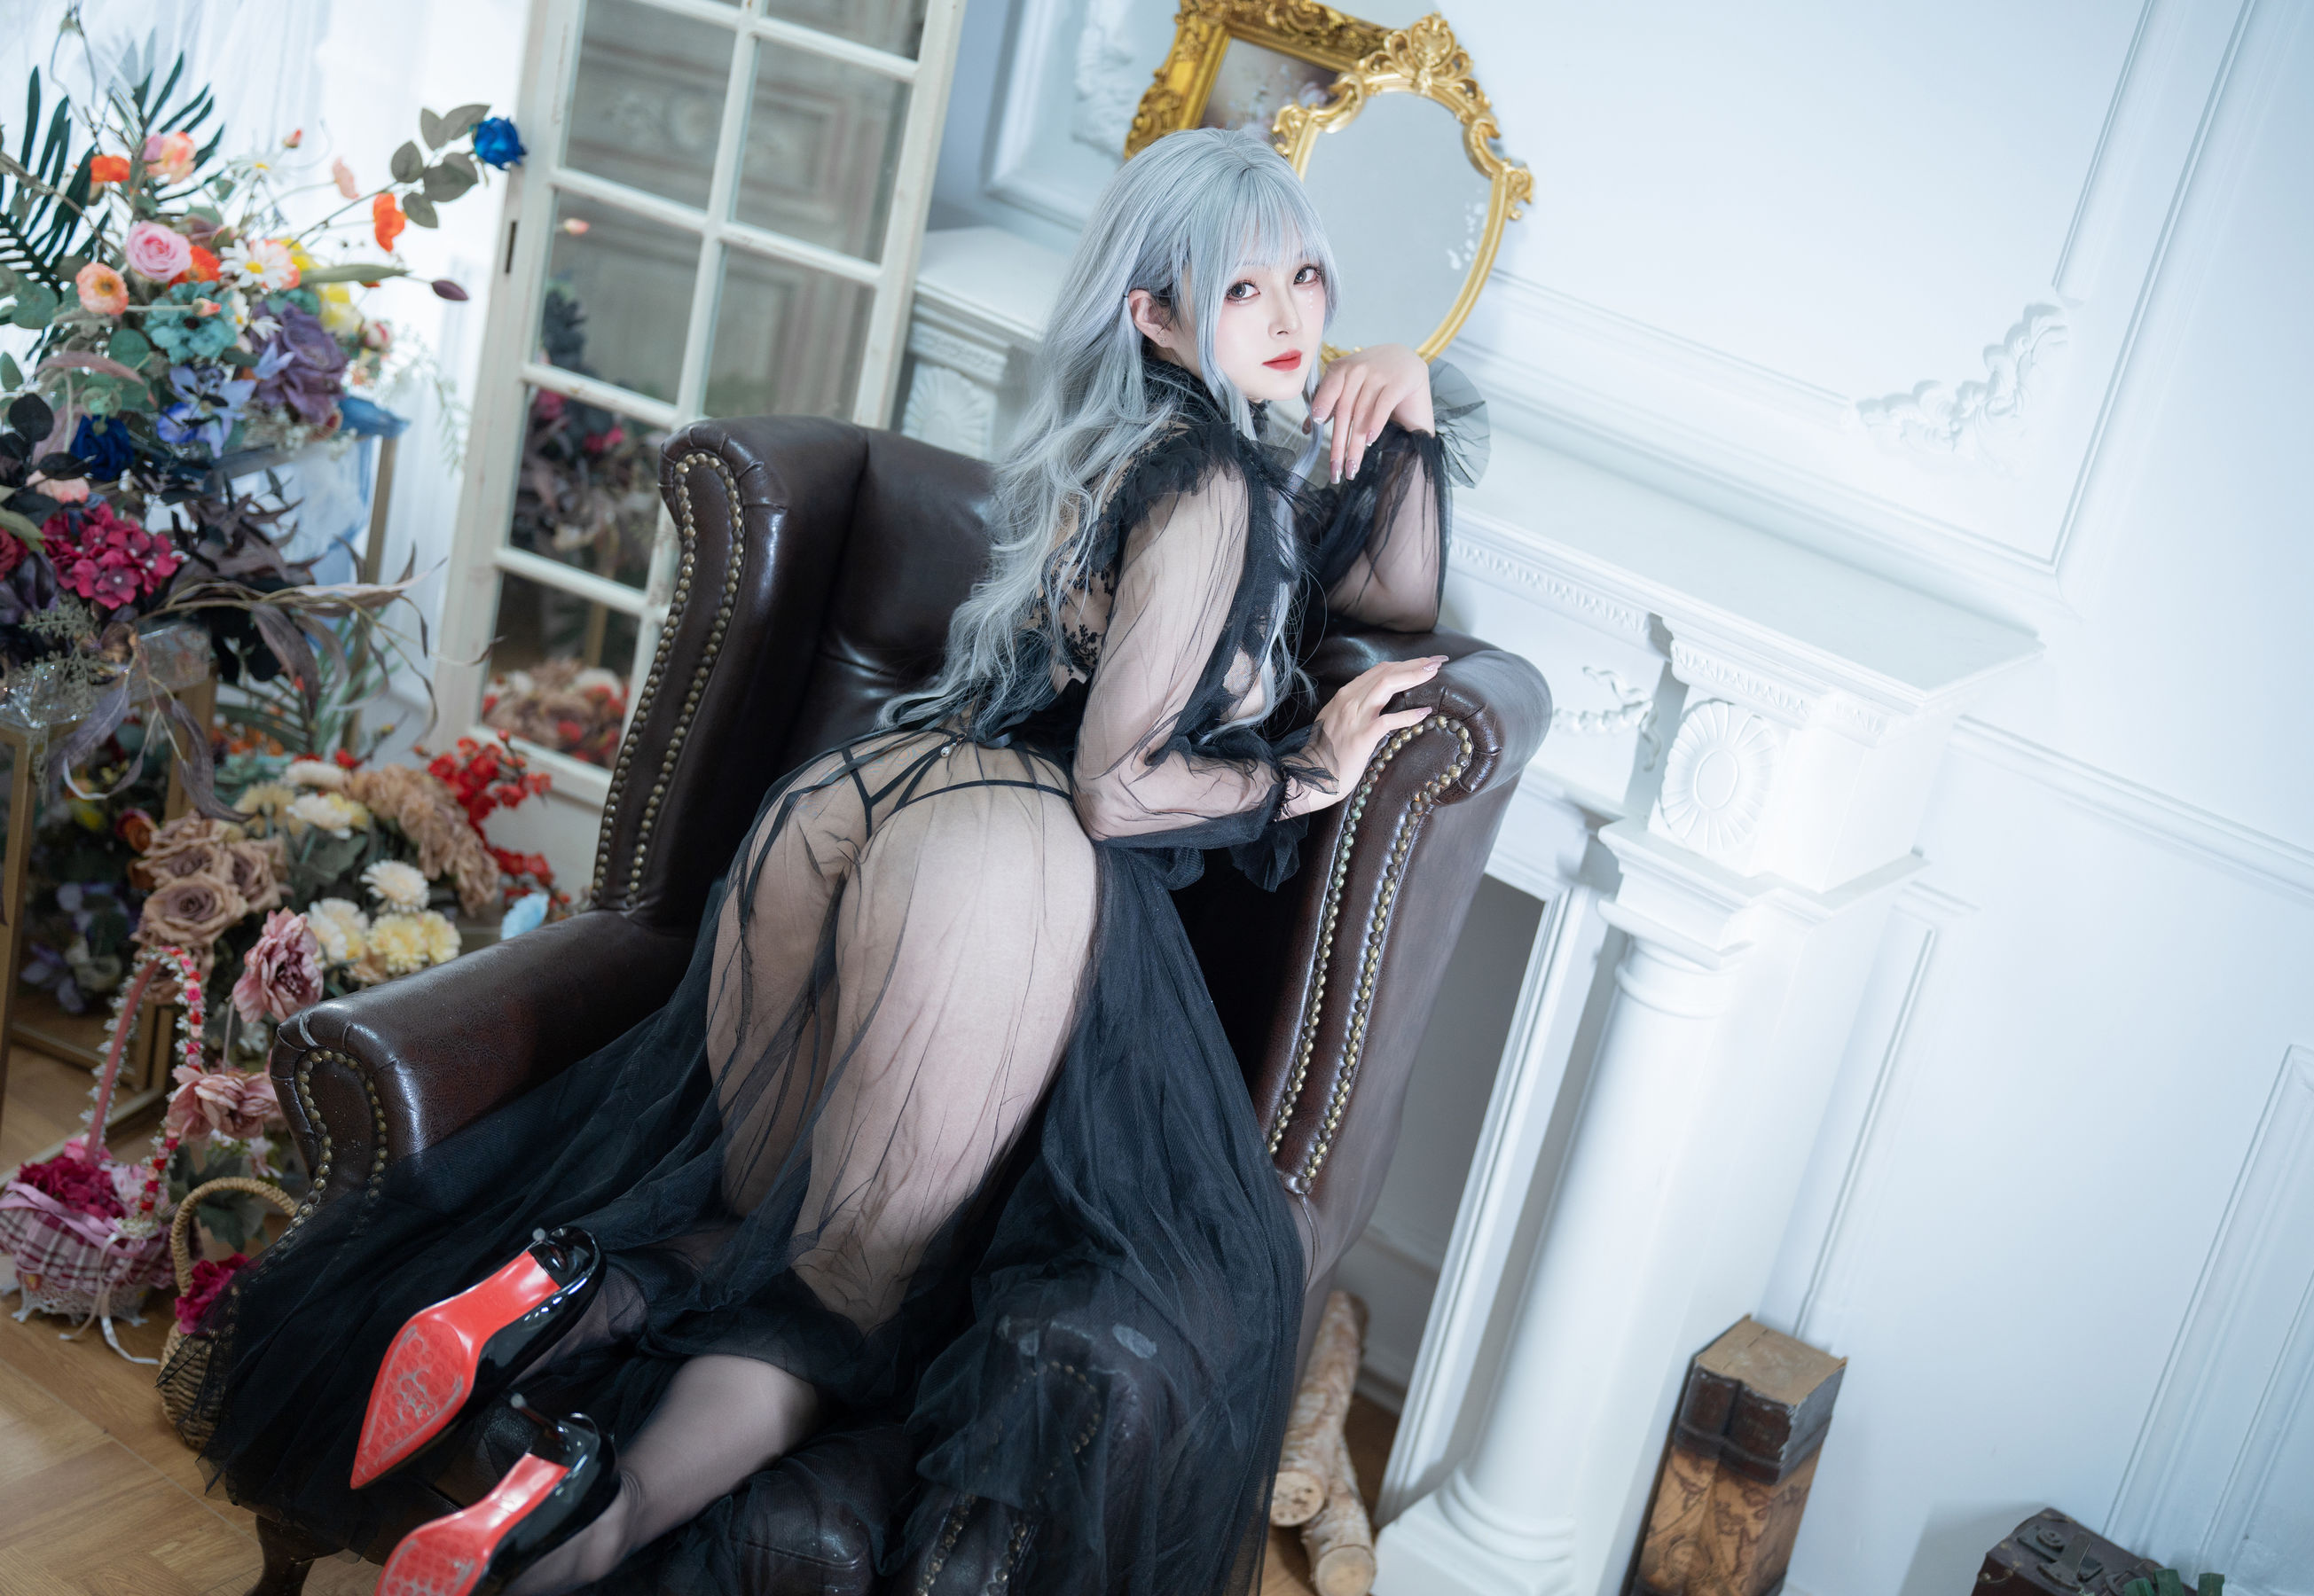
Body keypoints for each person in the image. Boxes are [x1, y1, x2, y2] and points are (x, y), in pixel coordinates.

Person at [189, 127, 1487, 1596]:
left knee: (765, 1220)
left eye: (1305, 275)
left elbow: (1394, 590)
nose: (1295, 314)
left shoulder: (1120, 452)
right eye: (1244, 288)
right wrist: (1308, 773)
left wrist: (1410, 397)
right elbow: (1120, 787)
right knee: (842, 1298)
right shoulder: (1217, 488)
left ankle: (558, 1294)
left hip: (853, 808)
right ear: (1158, 317)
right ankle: (589, 1522)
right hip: (1002, 861)